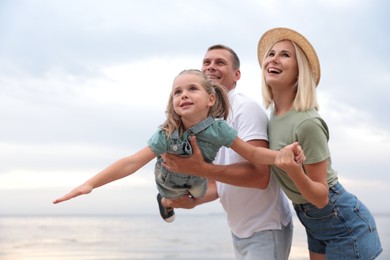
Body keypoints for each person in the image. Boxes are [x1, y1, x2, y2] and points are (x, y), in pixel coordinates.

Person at [52, 69, 304, 224]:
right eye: (177, 92)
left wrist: (282, 154)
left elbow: (253, 152)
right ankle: (166, 202)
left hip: (197, 181)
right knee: (175, 199)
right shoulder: (167, 134)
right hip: (169, 181)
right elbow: (131, 162)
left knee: (194, 196)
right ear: (172, 102)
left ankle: (170, 204)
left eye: (192, 89)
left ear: (210, 99)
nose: (183, 95)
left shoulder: (219, 129)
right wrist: (90, 185)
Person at [257, 27, 383, 260]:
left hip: (344, 224)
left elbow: (321, 196)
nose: (274, 58)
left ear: (299, 72)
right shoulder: (273, 117)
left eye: (285, 54)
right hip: (313, 221)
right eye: (271, 53)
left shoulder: (307, 122)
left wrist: (294, 171)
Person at [161, 45, 294, 260]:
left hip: (266, 227)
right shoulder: (209, 120)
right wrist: (194, 201)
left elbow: (260, 176)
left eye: (220, 62)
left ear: (236, 75)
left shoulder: (245, 109)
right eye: (206, 62)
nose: (211, 67)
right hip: (240, 231)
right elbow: (220, 183)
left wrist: (201, 168)